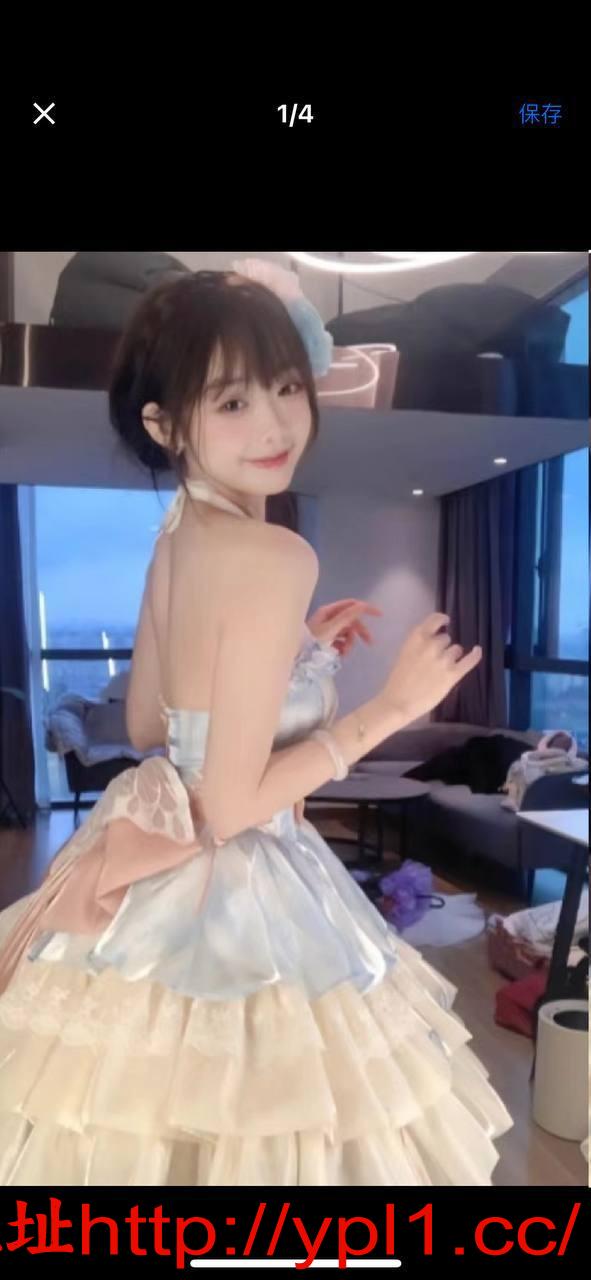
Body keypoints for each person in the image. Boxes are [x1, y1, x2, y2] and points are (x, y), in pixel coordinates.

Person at [0, 260, 512, 1186]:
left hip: (148, 875)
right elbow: (231, 806)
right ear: (165, 425)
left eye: (284, 387)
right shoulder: (275, 554)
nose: (274, 424)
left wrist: (292, 651)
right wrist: (391, 709)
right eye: (231, 402)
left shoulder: (177, 534)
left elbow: (151, 722)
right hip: (242, 887)